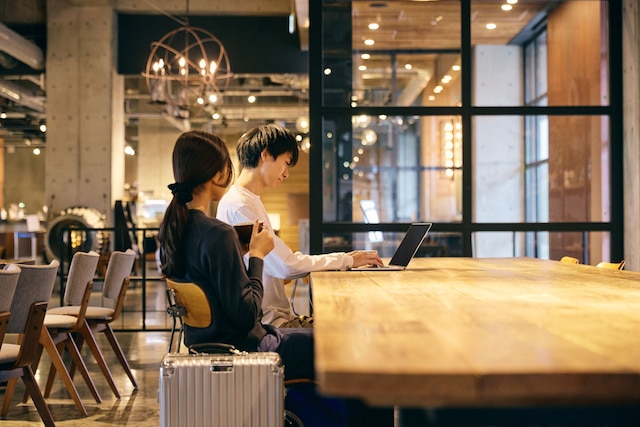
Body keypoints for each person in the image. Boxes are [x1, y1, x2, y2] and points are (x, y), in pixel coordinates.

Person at [157, 130, 314, 381]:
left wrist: (238, 253)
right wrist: (257, 256)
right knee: (331, 345)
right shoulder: (218, 233)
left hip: (205, 344)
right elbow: (247, 315)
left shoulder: (172, 231)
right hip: (246, 348)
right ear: (217, 173)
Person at [216, 124, 383, 328]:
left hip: (273, 320)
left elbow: (279, 264)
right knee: (351, 330)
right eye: (285, 163)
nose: (286, 174)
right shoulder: (240, 205)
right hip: (269, 327)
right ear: (266, 155)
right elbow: (285, 266)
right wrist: (346, 259)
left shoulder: (248, 201)